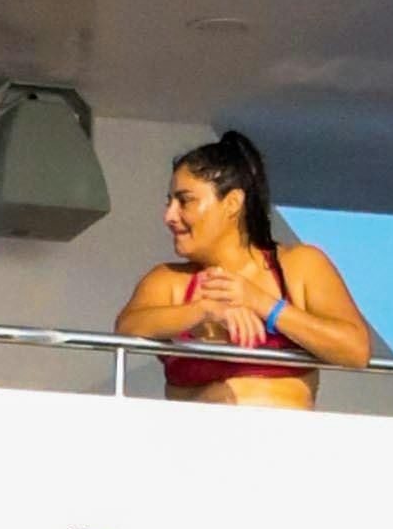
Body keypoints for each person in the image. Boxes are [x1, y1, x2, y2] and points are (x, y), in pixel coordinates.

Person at [117, 130, 378, 409]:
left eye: (185, 201)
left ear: (232, 203)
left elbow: (355, 350)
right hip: (196, 448)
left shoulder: (300, 265)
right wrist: (205, 310)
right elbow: (126, 330)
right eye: (169, 202)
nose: (169, 216)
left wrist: (263, 304)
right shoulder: (169, 280)